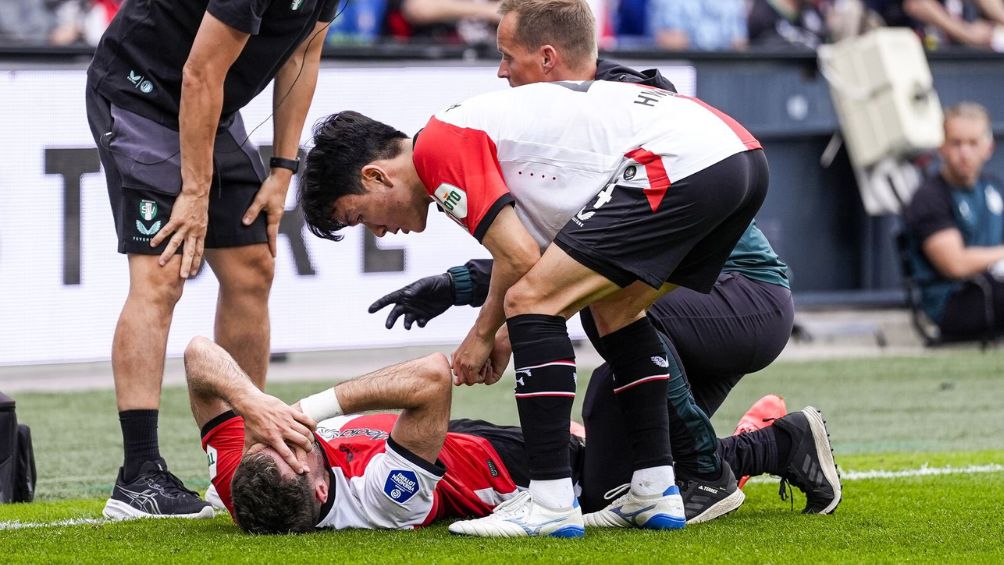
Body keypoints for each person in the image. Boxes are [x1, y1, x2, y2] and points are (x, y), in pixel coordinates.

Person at [367, 0, 803, 520]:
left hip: (739, 292)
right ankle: (683, 478)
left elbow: (555, 262)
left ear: (548, 58)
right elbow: (569, 247)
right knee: (605, 475)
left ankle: (700, 468)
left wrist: (489, 328)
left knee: (580, 301)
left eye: (507, 56)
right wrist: (460, 286)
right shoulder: (555, 119)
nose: (499, 71)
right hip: (728, 193)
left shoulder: (600, 106)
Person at [299, 74, 769, 537]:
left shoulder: (436, 148)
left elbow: (520, 261)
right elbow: (544, 260)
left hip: (685, 160)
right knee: (615, 310)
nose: (377, 232)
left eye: (360, 217)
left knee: (529, 302)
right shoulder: (464, 139)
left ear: (376, 176)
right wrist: (505, 333)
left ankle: (549, 500)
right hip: (738, 157)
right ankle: (654, 488)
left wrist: (481, 336)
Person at [85, 0, 339, 520]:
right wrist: (195, 193)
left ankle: (245, 456)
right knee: (162, 273)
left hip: (209, 105)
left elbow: (303, 57)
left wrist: (283, 171)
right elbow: (200, 72)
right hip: (142, 93)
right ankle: (138, 476)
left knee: (253, 265)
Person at [185, 336, 584, 534]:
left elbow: (198, 353)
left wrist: (250, 401)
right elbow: (431, 377)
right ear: (321, 489)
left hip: (450, 439)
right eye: (291, 447)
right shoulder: (382, 498)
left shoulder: (247, 478)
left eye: (266, 441)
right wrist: (309, 410)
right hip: (509, 467)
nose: (278, 433)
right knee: (610, 385)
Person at [903, 102, 1004, 340]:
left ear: (988, 147)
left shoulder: (993, 188)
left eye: (972, 143)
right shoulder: (930, 197)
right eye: (956, 143)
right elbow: (955, 264)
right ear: (942, 148)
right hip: (953, 301)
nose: (964, 153)